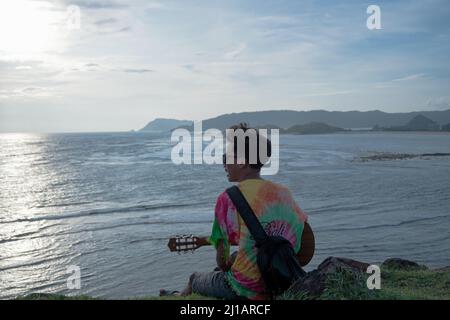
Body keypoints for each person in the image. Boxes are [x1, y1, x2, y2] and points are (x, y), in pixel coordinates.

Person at [161, 123, 308, 300]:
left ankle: (177, 296)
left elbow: (222, 263)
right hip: (282, 280)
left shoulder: (228, 199)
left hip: (246, 290)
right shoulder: (284, 193)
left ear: (243, 162)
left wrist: (228, 261)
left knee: (195, 278)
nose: (224, 163)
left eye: (227, 157)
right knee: (234, 256)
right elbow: (298, 241)